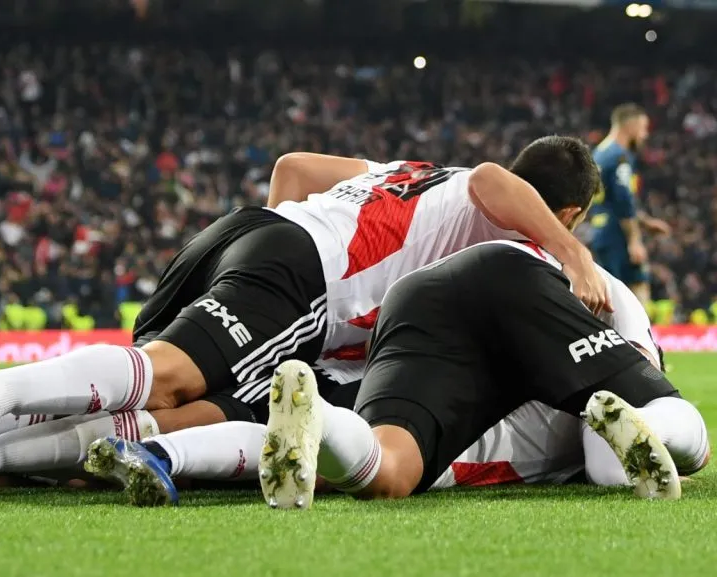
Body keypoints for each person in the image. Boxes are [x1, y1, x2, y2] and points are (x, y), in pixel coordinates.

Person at [0, 136, 610, 500]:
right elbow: (494, 177)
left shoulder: (421, 174)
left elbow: (294, 165)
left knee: (203, 395)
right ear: (569, 212)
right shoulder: (494, 210)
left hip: (251, 235)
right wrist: (574, 255)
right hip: (305, 273)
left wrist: (288, 242)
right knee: (168, 380)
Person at [75, 262, 706, 505]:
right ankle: (172, 451)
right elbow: (605, 460)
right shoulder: (581, 409)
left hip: (412, 320)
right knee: (384, 470)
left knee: (315, 442)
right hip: (471, 415)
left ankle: (158, 452)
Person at [260, 239, 709, 509]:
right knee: (685, 431)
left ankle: (318, 415)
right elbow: (607, 462)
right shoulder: (615, 305)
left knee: (389, 471)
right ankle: (662, 426)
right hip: (516, 284)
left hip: (416, 295)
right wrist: (664, 453)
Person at [588, 103, 671, 305]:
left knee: (610, 294)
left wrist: (644, 221)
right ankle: (639, 336)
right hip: (618, 235)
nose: (644, 135)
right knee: (636, 290)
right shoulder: (619, 156)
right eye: (643, 128)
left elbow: (611, 200)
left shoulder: (598, 153)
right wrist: (635, 239)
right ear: (630, 126)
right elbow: (623, 201)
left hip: (601, 230)